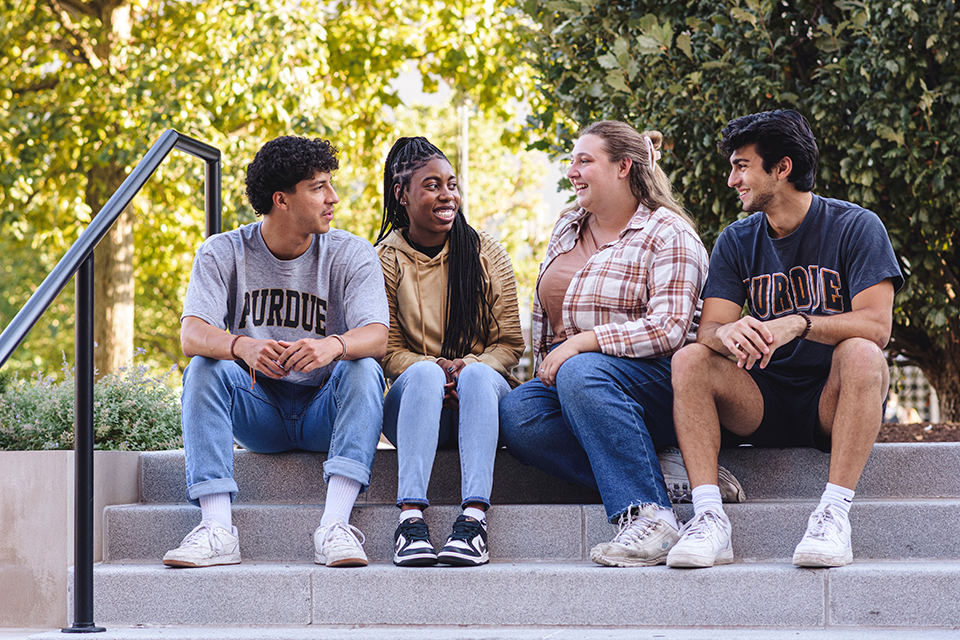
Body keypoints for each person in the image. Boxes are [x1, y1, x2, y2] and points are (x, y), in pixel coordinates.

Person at [666, 109, 903, 569]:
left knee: (862, 353)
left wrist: (799, 323)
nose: (732, 178)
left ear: (782, 168)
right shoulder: (736, 240)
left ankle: (833, 516)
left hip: (831, 402)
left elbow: (878, 327)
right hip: (760, 397)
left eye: (742, 165)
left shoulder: (856, 227)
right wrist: (730, 331)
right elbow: (708, 330)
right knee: (691, 359)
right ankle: (709, 520)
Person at [499, 121, 722, 568]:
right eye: (571, 160)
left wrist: (583, 344)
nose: (571, 171)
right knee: (518, 413)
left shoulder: (669, 233)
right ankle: (661, 476)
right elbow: (547, 311)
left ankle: (651, 516)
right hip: (581, 385)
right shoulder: (567, 227)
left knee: (583, 370)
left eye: (585, 160)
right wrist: (554, 358)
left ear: (623, 166)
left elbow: (670, 329)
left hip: (658, 384)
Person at [162, 136, 389, 569]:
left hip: (325, 411)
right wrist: (239, 345)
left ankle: (335, 526)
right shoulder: (222, 251)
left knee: (362, 367)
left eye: (330, 185)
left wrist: (332, 346)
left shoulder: (350, 252)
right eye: (319, 187)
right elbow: (191, 334)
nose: (333, 198)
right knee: (204, 367)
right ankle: (217, 529)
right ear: (281, 199)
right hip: (259, 411)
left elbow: (377, 336)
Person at [376, 137, 524, 567]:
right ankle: (410, 522)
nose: (447, 195)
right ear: (402, 195)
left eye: (452, 184)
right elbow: (385, 349)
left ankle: (474, 521)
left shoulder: (484, 252)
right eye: (432, 185)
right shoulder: (385, 260)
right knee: (422, 375)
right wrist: (435, 370)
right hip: (416, 408)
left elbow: (510, 343)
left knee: (478, 376)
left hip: (478, 405)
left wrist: (467, 367)